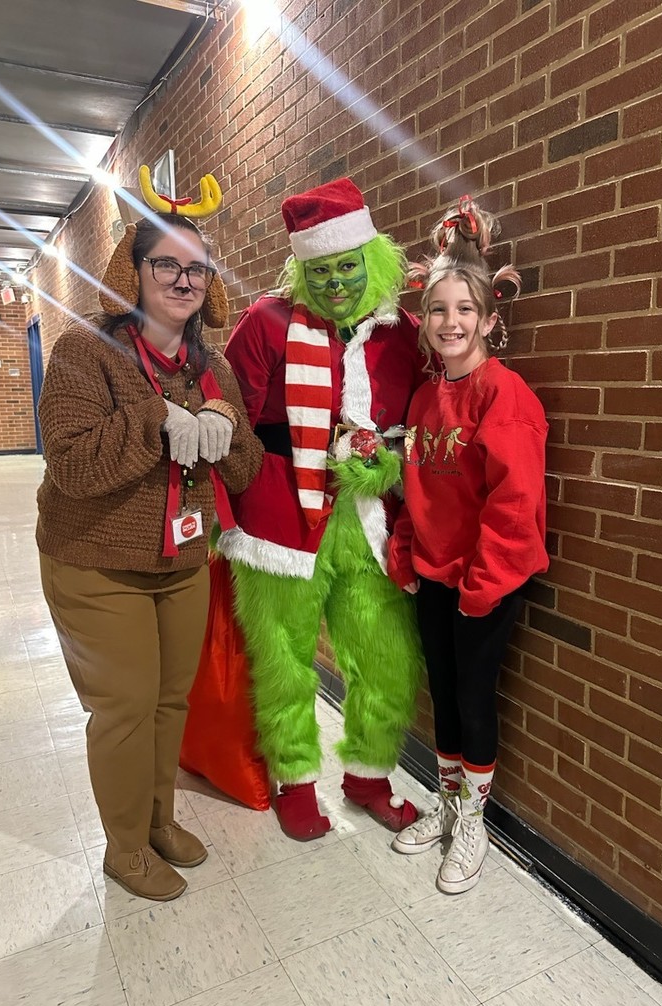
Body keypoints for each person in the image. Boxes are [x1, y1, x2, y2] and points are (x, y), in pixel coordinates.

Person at [36, 174, 263, 901]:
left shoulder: (211, 366)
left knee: (171, 701)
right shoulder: (85, 354)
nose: (182, 278)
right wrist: (155, 422)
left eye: (195, 267)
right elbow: (71, 464)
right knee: (126, 707)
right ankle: (124, 847)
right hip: (96, 561)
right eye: (165, 263)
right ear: (132, 274)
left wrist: (223, 430)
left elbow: (247, 466)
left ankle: (159, 818)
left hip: (182, 560)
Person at [218, 177, 426, 841]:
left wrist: (386, 464)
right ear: (301, 269)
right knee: (283, 659)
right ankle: (295, 779)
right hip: (281, 526)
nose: (335, 282)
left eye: (346, 266)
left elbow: (423, 427)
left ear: (371, 260)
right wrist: (249, 499)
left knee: (386, 659)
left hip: (370, 525)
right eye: (321, 270)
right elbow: (229, 424)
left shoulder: (403, 334)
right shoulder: (265, 323)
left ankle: (368, 775)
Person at [387, 197, 549, 894]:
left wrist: (480, 588)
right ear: (423, 323)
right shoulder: (424, 402)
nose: (450, 323)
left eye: (464, 311)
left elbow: (514, 507)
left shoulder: (504, 395)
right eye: (437, 310)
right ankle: (447, 803)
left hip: (487, 583)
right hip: (435, 577)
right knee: (445, 696)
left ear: (489, 320)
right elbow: (414, 488)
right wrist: (405, 552)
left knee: (476, 700)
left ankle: (473, 819)